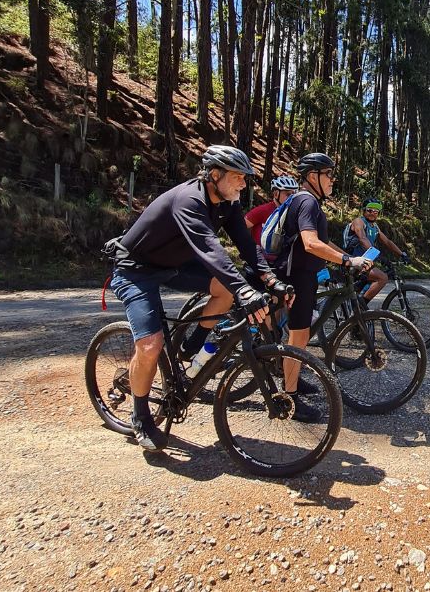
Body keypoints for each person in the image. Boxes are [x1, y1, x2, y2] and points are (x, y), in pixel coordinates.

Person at [109, 145, 289, 451]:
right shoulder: (189, 200)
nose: (243, 184)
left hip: (173, 265)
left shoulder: (228, 203)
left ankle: (191, 347)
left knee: (225, 289)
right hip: (136, 270)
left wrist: (271, 280)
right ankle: (141, 416)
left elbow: (246, 245)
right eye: (237, 177)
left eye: (244, 178)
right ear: (214, 175)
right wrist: (245, 289)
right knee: (151, 345)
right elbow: (209, 248)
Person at [275, 152, 372, 421]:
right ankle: (289, 398)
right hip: (297, 277)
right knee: (298, 338)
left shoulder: (304, 200)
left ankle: (292, 379)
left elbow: (323, 243)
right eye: (328, 174)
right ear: (312, 176)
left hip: (300, 275)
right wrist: (347, 260)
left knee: (300, 336)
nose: (332, 179)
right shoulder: (307, 201)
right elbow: (310, 243)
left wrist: (347, 258)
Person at [342, 197, 409, 301]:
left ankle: (358, 304)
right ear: (363, 210)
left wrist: (402, 254)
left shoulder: (374, 227)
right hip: (351, 261)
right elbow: (362, 239)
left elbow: (387, 242)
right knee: (382, 278)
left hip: (364, 264)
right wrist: (377, 255)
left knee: (369, 282)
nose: (373, 213)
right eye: (370, 210)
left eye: (376, 211)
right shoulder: (359, 221)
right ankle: (362, 306)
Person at [245, 174, 299, 262]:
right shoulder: (263, 210)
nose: (292, 198)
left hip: (283, 261)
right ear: (276, 194)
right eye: (288, 194)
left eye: (294, 194)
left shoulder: (294, 213)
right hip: (260, 260)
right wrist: (249, 248)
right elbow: (240, 227)